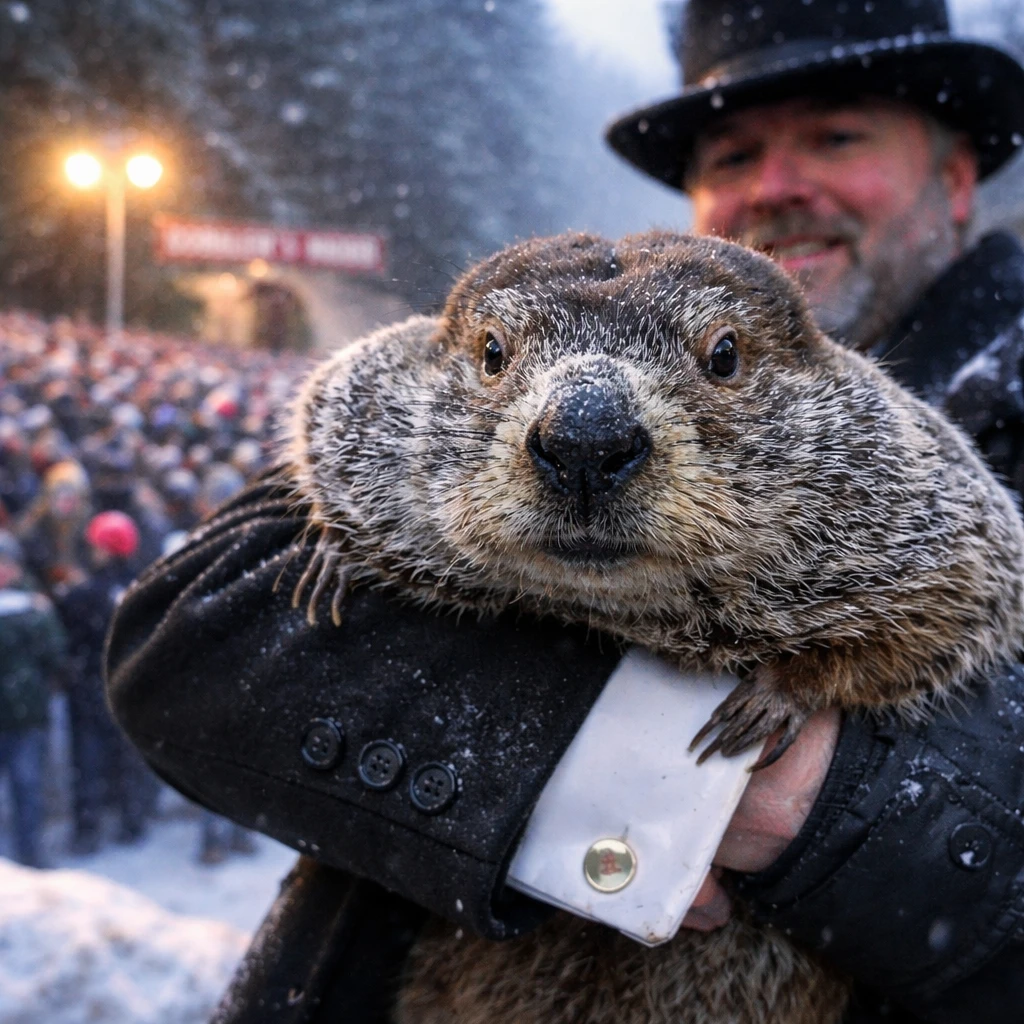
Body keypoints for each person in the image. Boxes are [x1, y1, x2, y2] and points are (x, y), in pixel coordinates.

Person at [105, 2, 1024, 1021]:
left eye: (836, 136)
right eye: (732, 154)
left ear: (952, 179)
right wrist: (629, 756)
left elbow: (964, 600)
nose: (775, 186)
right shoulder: (528, 338)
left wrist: (818, 799)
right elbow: (190, 640)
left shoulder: (932, 430)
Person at [58, 511, 157, 853]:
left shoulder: (81, 594)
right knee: (129, 762)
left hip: (89, 690)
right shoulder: (145, 585)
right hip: (130, 688)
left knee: (88, 765)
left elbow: (67, 638)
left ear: (103, 547)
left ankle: (88, 832)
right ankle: (133, 823)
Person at [0, 530, 67, 868]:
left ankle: (30, 855)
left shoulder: (33, 604)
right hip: (16, 709)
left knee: (27, 787)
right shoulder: (33, 607)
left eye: (5, 563)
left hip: (26, 714)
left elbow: (54, 653)